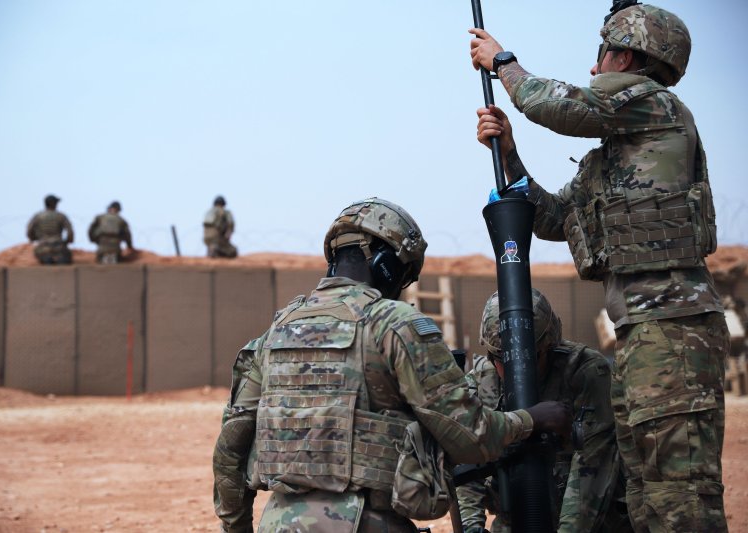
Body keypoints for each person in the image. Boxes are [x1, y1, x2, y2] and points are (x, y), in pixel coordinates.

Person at [468, 3, 729, 531]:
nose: (593, 68)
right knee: (644, 491)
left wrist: (503, 63)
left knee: (678, 493)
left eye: (601, 54)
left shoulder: (653, 102)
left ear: (626, 56)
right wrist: (511, 154)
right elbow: (553, 218)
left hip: (672, 328)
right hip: (641, 331)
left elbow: (557, 105)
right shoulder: (611, 158)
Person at [212, 197, 571, 533]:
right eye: (404, 275)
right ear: (387, 265)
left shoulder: (275, 332)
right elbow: (471, 437)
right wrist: (533, 419)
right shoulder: (394, 324)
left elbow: (230, 450)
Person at [456, 289, 630, 533]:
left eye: (527, 358)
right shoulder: (482, 383)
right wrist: (471, 527)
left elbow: (592, 467)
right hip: (516, 519)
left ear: (550, 345)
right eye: (499, 358)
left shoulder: (584, 373)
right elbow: (469, 467)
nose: (511, 369)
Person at [26, 194, 74, 265]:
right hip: (59, 247)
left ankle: (46, 260)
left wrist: (35, 239)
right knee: (65, 258)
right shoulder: (61, 216)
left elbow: (29, 231)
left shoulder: (38, 216)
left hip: (43, 247)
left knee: (43, 257)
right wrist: (67, 242)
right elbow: (70, 233)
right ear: (53, 204)